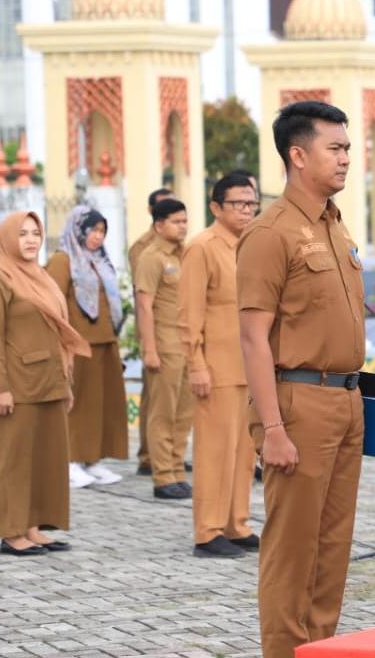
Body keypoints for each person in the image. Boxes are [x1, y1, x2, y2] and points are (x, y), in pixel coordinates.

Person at [237, 101, 365, 657]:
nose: (345, 158)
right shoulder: (271, 232)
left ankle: (322, 648)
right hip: (299, 404)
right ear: (298, 155)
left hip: (347, 399)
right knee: (293, 550)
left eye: (347, 148)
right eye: (334, 148)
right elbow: (252, 338)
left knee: (332, 548)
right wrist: (272, 428)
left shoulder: (334, 224)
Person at [0, 211, 91, 555]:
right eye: (22, 233)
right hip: (18, 386)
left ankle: (32, 527)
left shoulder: (40, 278)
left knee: (45, 458)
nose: (30, 240)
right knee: (15, 461)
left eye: (35, 233)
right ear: (6, 239)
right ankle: (11, 532)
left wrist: (65, 381)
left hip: (49, 380)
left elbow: (58, 333)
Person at [180, 172, 260, 558]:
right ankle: (208, 530)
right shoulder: (202, 248)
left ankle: (236, 523)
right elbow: (189, 313)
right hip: (216, 368)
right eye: (238, 203)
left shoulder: (252, 245)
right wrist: (196, 364)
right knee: (215, 452)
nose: (246, 210)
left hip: (250, 366)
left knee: (244, 453)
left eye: (251, 203)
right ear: (216, 207)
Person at [47, 207, 128, 488]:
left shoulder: (99, 260)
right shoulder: (63, 260)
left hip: (105, 341)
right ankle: (69, 460)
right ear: (78, 229)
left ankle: (91, 459)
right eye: (93, 230)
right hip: (78, 343)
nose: (97, 236)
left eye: (102, 231)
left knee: (101, 404)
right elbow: (52, 303)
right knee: (78, 403)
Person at [134, 198, 194, 500]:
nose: (183, 227)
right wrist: (149, 349)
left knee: (184, 413)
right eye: (176, 222)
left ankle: (177, 470)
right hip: (164, 345)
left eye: (184, 221)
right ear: (159, 225)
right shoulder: (151, 257)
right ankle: (162, 475)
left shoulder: (186, 254)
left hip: (186, 345)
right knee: (163, 413)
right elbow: (144, 306)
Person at [130, 187, 175, 476]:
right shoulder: (144, 249)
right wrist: (149, 346)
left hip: (176, 336)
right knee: (156, 400)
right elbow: (145, 296)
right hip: (156, 332)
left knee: (174, 402)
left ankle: (170, 457)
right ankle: (149, 457)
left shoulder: (180, 247)